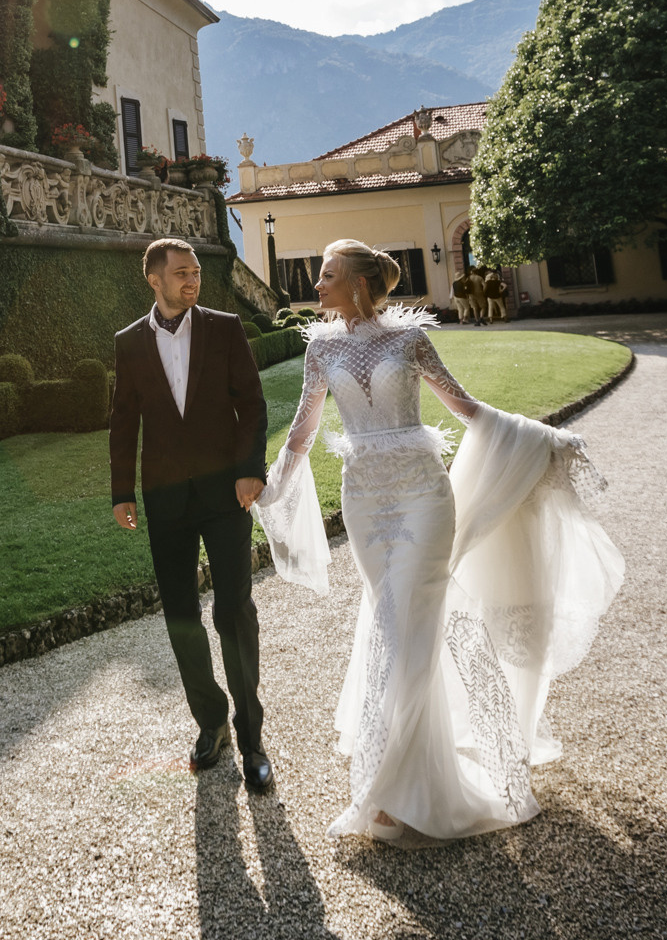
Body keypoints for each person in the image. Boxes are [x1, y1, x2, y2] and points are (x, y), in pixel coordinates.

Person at [255, 239, 623, 842]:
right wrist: (272, 490)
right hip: (366, 503)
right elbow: (302, 430)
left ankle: (391, 786)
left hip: (425, 497)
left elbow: (465, 407)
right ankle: (411, 779)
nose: (314, 286)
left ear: (358, 283)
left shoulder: (410, 341)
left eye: (325, 275)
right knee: (396, 623)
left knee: (410, 623)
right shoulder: (321, 348)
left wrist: (545, 441)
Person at [109, 237, 276, 793]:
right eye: (180, 273)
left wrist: (252, 468)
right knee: (181, 613)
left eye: (196, 272)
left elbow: (252, 404)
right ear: (153, 279)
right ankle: (211, 721)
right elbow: (122, 422)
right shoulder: (128, 343)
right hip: (165, 500)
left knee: (234, 610)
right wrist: (121, 492)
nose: (192, 280)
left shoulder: (226, 328)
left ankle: (252, 739)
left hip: (226, 494)